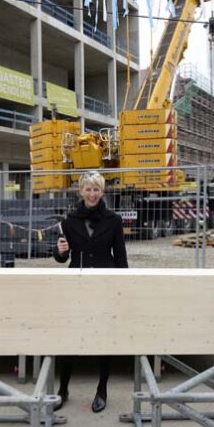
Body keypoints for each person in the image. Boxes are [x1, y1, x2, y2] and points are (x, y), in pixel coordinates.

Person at [53, 170, 128, 413]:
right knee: (70, 339)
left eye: (96, 189)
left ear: (102, 192)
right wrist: (62, 251)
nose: (92, 194)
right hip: (77, 284)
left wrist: (121, 289)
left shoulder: (114, 220)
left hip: (105, 285)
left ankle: (102, 390)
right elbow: (61, 258)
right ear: (81, 191)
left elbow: (121, 258)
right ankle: (62, 390)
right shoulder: (69, 220)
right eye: (88, 189)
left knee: (102, 340)